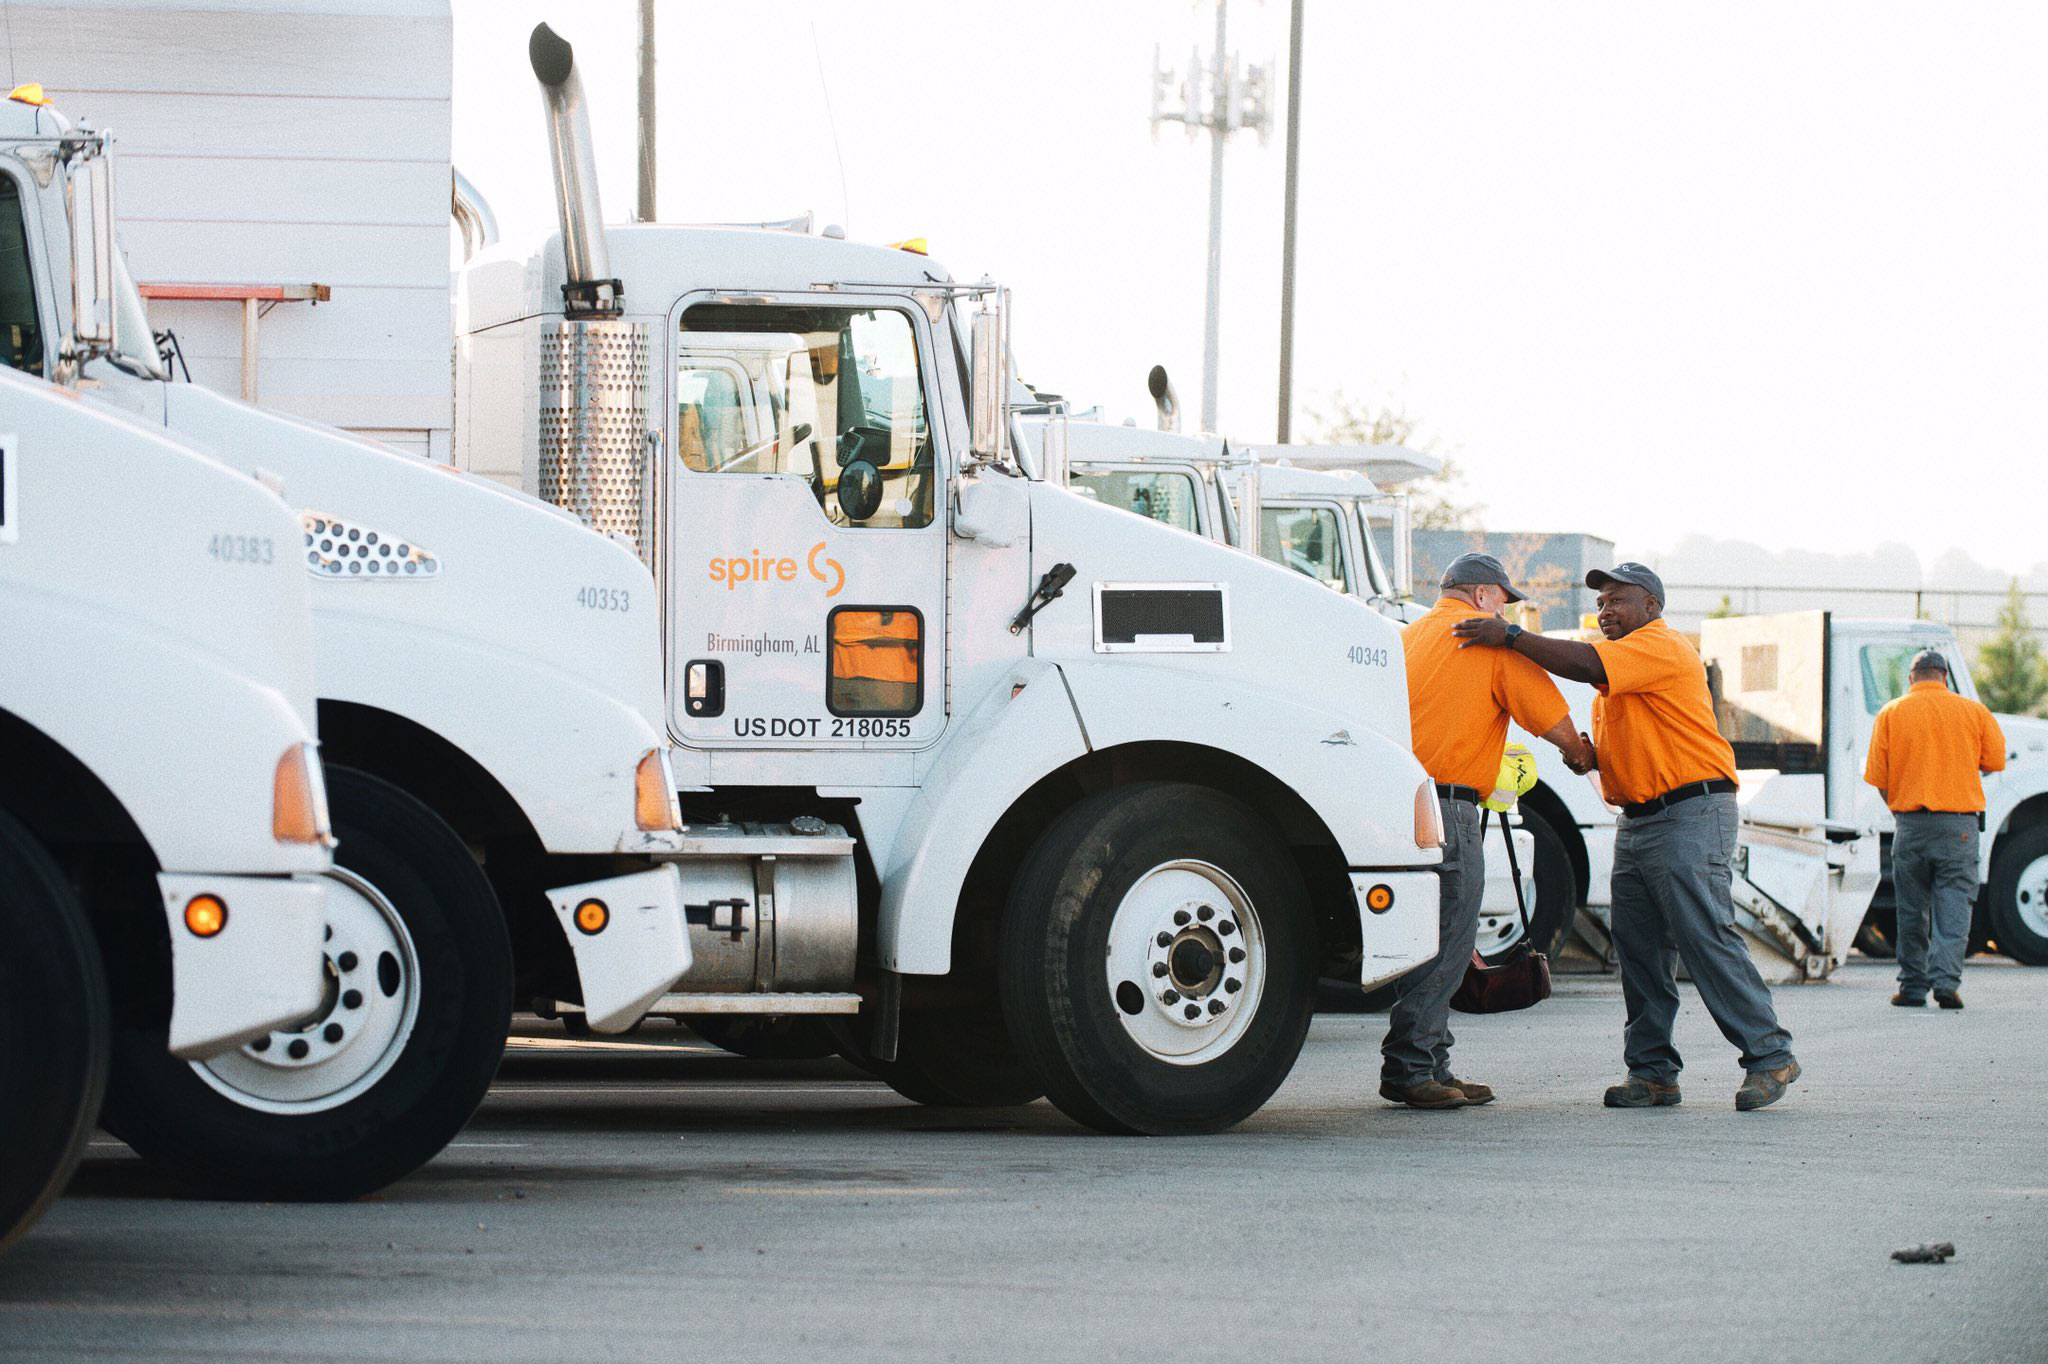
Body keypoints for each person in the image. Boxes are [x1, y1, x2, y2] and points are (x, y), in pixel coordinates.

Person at [1453, 562, 1801, 1112]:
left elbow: (1583, 661)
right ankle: (1653, 1073)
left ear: (1652, 608)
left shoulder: (1660, 646)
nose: (1605, 610)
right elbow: (1628, 724)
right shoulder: (1619, 674)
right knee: (1639, 951)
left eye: (1618, 600)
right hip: (1639, 820)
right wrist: (1591, 759)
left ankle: (1769, 1055)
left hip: (1691, 812)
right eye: (1601, 602)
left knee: (1704, 934)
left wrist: (1512, 636)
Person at [1380, 553, 1595, 1110]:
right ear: (1480, 597)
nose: (1506, 611)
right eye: (1503, 599)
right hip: (1449, 809)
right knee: (1452, 938)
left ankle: (1433, 1065)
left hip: (1392, 804)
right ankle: (1409, 1067)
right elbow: (1546, 715)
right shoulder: (1490, 644)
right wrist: (1579, 752)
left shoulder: (1404, 640)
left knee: (1425, 938)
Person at [1863, 650, 2005, 1010]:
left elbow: (1879, 778)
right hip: (1959, 826)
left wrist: (1900, 808)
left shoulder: (1891, 713)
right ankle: (1945, 983)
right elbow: (1994, 761)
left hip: (1910, 825)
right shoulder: (1974, 711)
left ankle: (1912, 987)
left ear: (1912, 679)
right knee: (1955, 904)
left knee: (1911, 910)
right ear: (1945, 677)